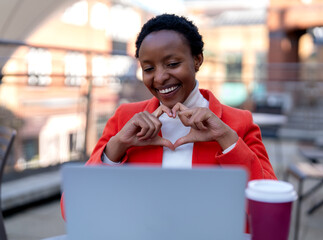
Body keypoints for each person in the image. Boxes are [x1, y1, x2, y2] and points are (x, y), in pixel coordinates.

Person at [61, 13, 276, 219]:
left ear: (197, 60)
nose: (160, 78)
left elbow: (270, 208)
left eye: (172, 64)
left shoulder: (237, 123)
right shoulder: (124, 119)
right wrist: (115, 149)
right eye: (148, 68)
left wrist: (227, 141)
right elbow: (71, 210)